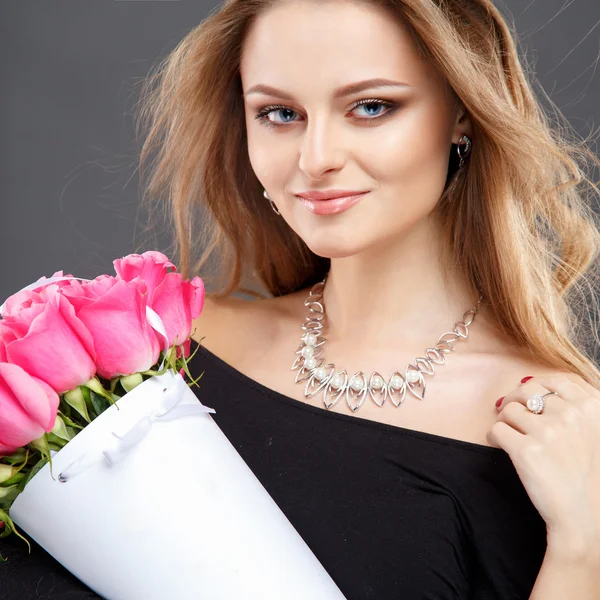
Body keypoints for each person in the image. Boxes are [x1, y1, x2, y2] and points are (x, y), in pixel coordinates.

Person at [2, 0, 600, 598]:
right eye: (280, 113)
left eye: (371, 107)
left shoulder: (561, 437)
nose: (316, 160)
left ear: (463, 113)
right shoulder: (158, 350)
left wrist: (584, 549)